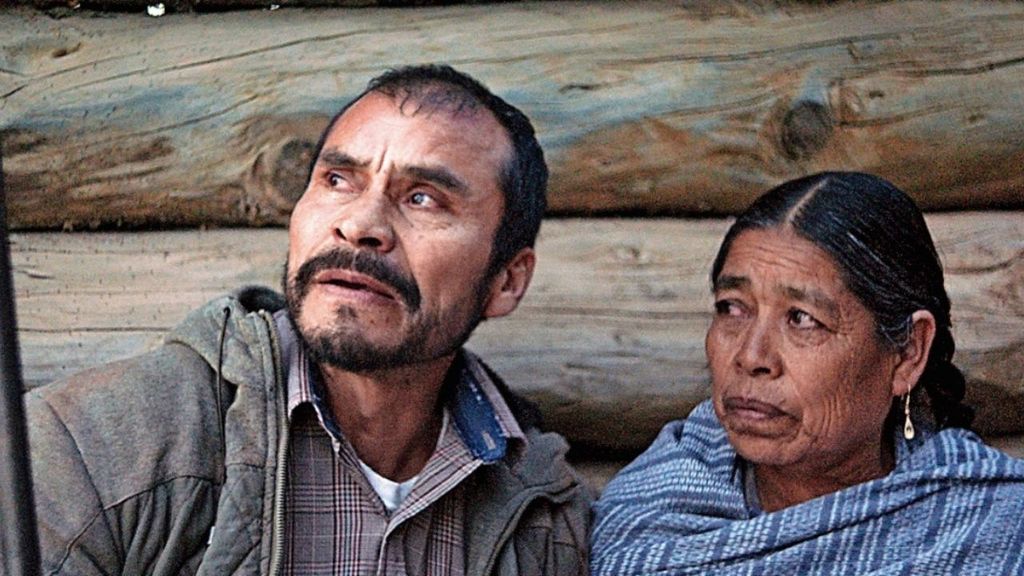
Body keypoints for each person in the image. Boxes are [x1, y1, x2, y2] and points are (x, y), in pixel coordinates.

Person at [26, 64, 590, 575]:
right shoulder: (93, 446)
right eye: (338, 180)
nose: (360, 225)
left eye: (423, 198)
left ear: (506, 281)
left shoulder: (545, 519)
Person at [591, 172, 1024, 575]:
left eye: (802, 318)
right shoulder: (651, 520)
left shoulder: (996, 526)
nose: (751, 356)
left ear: (907, 353)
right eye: (732, 308)